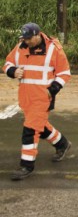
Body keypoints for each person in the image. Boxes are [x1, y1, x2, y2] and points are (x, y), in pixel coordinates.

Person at [2, 23, 72, 180]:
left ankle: (26, 165)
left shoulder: (54, 49)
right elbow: (7, 64)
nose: (26, 42)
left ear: (38, 35)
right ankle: (62, 144)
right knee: (39, 126)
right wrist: (13, 71)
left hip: (43, 97)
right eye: (24, 39)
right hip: (26, 97)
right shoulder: (20, 47)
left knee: (31, 130)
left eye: (29, 39)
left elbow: (64, 73)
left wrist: (52, 89)